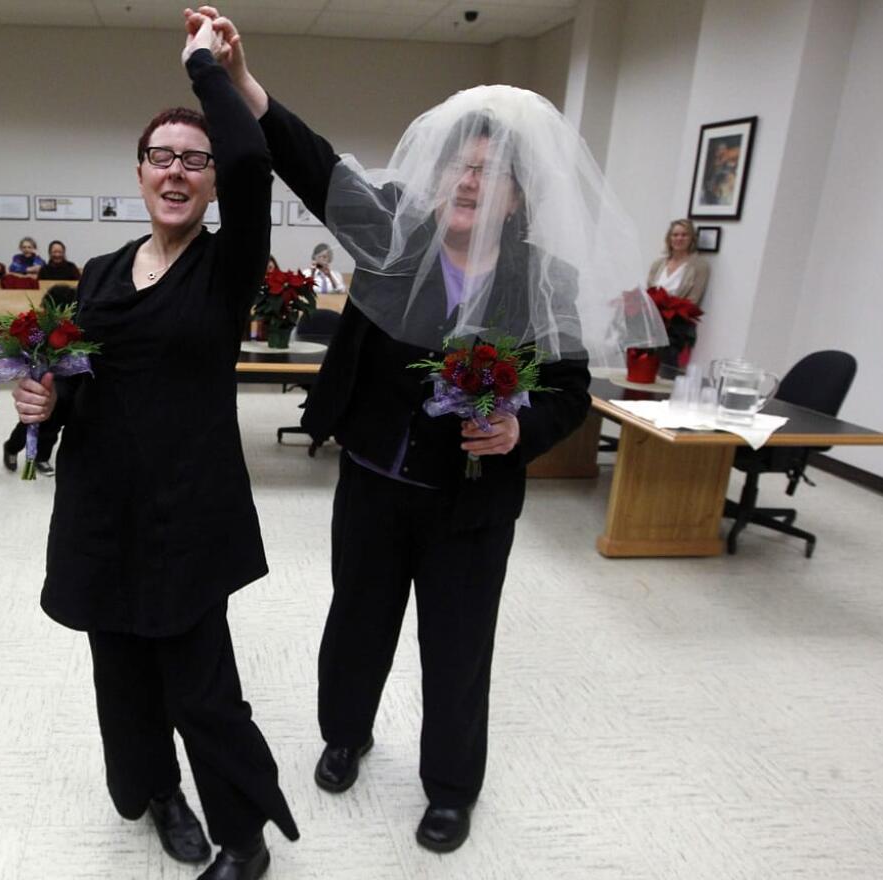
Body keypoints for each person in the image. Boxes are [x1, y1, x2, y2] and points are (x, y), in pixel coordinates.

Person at [198, 3, 665, 855]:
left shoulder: (544, 283)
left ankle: (451, 787)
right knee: (357, 621)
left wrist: (520, 430)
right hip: (376, 477)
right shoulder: (395, 244)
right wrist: (242, 85)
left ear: (519, 195)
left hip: (473, 505)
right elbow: (315, 167)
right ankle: (346, 734)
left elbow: (568, 388)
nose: (470, 181)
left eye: (492, 172)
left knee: (457, 648)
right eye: (460, 165)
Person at [11, 14, 297, 879]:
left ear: (212, 185)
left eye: (194, 159)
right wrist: (43, 401)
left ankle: (244, 841)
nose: (177, 171)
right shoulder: (96, 275)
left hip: (187, 515)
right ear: (138, 173)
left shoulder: (226, 265)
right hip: (101, 508)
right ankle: (157, 794)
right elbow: (72, 377)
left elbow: (254, 158)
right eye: (161, 157)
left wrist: (208, 67)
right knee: (121, 677)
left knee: (201, 691)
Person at [3, 284, 74, 477]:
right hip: (42, 382)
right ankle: (11, 447)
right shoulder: (40, 330)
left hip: (65, 387)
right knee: (30, 422)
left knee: (53, 426)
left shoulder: (74, 331)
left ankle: (42, 458)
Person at [646, 218, 709, 305]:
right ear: (669, 238)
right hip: (653, 316)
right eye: (675, 235)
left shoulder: (700, 267)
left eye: (684, 235)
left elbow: (693, 301)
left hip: (677, 317)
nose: (679, 238)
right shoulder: (657, 264)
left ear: (692, 239)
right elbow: (648, 294)